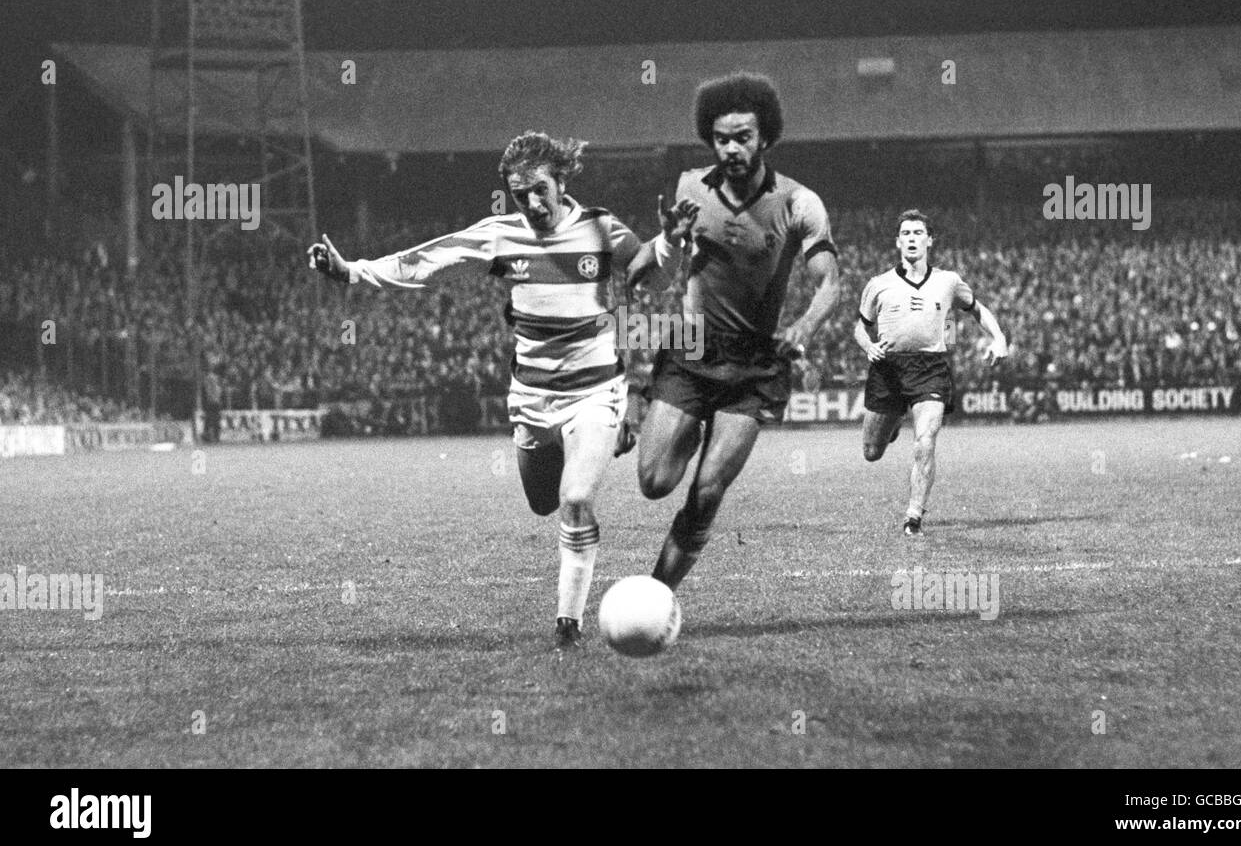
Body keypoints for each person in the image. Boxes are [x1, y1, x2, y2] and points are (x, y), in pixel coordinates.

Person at [308, 131, 687, 648]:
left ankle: (567, 626)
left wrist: (668, 243)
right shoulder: (500, 237)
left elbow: (650, 279)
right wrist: (353, 271)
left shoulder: (600, 228)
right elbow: (428, 261)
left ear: (560, 181)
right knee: (542, 502)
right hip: (531, 395)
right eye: (518, 193)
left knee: (575, 499)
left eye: (538, 189)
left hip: (596, 391)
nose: (531, 203)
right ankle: (575, 458)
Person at [637, 72, 841, 592]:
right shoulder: (687, 188)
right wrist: (668, 241)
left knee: (706, 492)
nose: (731, 148)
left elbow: (830, 285)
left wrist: (803, 327)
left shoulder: (799, 203)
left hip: (752, 365)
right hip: (691, 351)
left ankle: (659, 594)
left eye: (743, 137)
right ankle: (685, 430)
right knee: (654, 482)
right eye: (721, 138)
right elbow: (648, 276)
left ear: (765, 136)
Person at [855, 209, 1008, 536]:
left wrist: (999, 338)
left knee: (925, 440)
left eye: (917, 233)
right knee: (871, 452)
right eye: (906, 234)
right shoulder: (878, 284)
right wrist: (868, 347)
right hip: (888, 369)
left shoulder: (948, 281)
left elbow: (978, 310)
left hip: (930, 369)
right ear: (898, 242)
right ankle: (894, 420)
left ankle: (913, 516)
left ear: (929, 241)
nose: (912, 239)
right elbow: (860, 327)